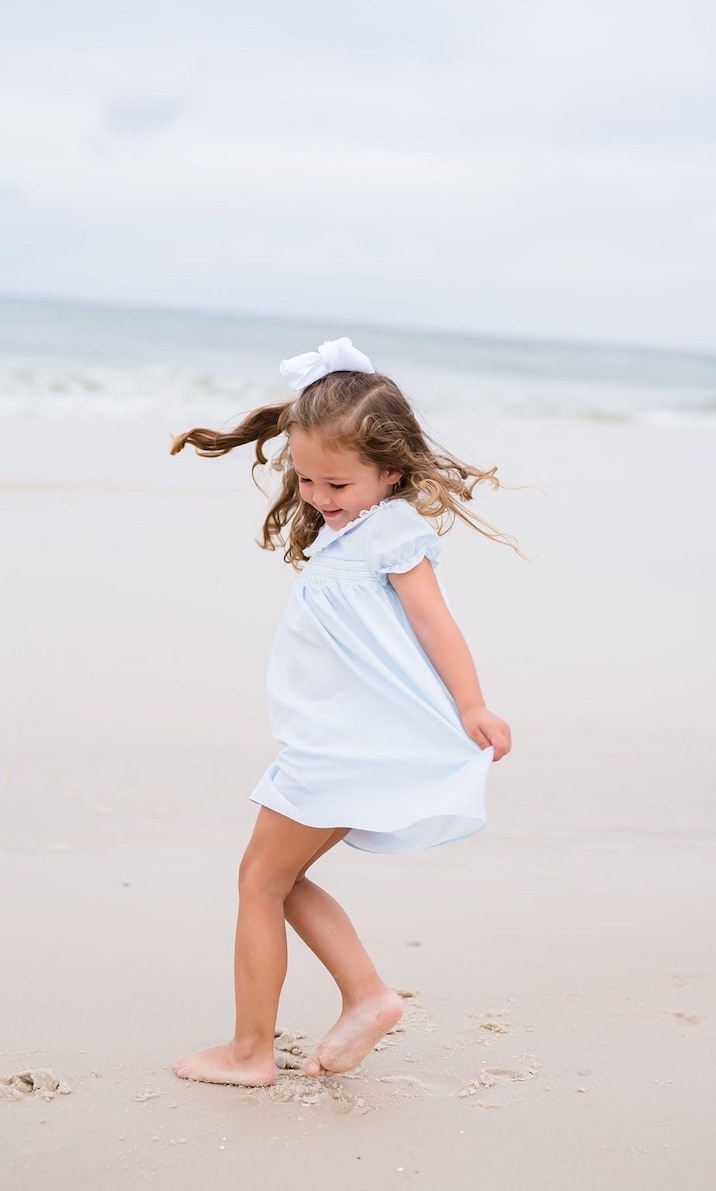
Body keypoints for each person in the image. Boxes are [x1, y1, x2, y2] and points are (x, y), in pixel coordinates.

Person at [170, 337, 513, 1086]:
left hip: (341, 746)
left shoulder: (389, 530)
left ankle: (250, 1051)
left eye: (338, 481)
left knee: (260, 881)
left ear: (390, 470)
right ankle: (366, 995)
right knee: (276, 880)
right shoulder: (348, 530)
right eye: (306, 478)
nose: (320, 495)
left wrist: (473, 704)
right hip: (335, 740)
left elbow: (435, 621)